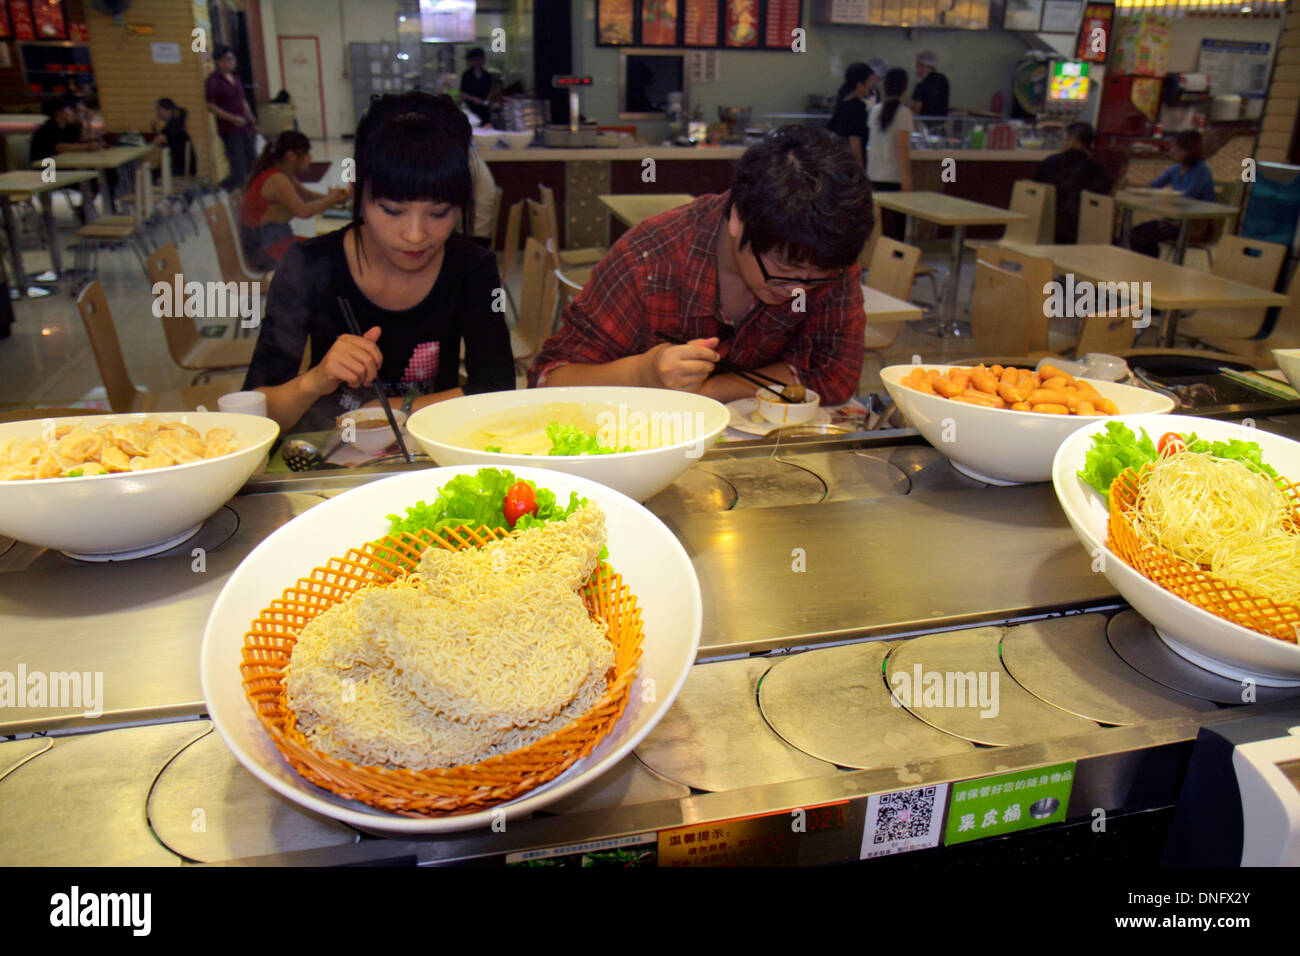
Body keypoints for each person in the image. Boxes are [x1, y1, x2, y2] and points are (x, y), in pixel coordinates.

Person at [527, 125, 872, 406]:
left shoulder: (824, 255)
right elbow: (548, 382)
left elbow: (835, 374)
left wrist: (709, 393)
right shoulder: (649, 260)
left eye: (813, 280)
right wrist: (644, 373)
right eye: (783, 268)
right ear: (739, 217)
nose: (798, 290)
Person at [242, 92, 514, 434]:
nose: (416, 235)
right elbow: (253, 416)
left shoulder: (472, 267)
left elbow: (496, 389)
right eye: (392, 210)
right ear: (357, 191)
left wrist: (390, 409)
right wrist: (316, 380)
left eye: (439, 212)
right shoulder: (309, 265)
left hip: (431, 457)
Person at [239, 130, 350, 270]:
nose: (310, 158)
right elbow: (303, 211)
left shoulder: (283, 173)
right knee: (332, 256)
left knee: (332, 249)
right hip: (265, 249)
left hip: (273, 241)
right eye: (306, 154)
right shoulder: (276, 179)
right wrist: (331, 200)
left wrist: (335, 199)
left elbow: (307, 196)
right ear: (291, 156)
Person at [1129, 130, 1217, 258]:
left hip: (1196, 226)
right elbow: (1153, 185)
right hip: (1174, 221)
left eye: (1176, 148)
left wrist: (1163, 203)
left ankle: (1150, 269)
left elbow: (1186, 197)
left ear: (1189, 150)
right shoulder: (1176, 169)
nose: (1172, 151)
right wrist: (1129, 185)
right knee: (1134, 233)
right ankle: (1149, 267)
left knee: (1145, 237)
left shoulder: (1201, 170)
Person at [1033, 122, 1113, 244]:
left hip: (1046, 224)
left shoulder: (1051, 162)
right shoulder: (1096, 169)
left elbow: (1037, 190)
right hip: (1086, 230)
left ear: (1070, 139)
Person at [868, 68, 914, 242]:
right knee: (895, 228)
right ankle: (895, 262)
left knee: (879, 225)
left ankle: (879, 261)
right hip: (894, 177)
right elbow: (902, 147)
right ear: (904, 88)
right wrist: (907, 179)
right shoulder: (904, 113)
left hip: (874, 174)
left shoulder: (874, 111)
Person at [205, 45, 260, 192]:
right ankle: (240, 196)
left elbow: (243, 102)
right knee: (238, 165)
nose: (232, 62)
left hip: (244, 127)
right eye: (228, 59)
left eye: (233, 59)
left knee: (251, 161)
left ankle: (252, 192)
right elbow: (211, 106)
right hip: (229, 130)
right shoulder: (213, 81)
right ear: (219, 62)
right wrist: (232, 118)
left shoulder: (235, 78)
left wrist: (252, 120)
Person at [827, 62, 874, 167]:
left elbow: (831, 128)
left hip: (839, 160)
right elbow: (855, 138)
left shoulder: (843, 103)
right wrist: (860, 167)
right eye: (870, 81)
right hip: (851, 163)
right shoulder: (858, 106)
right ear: (860, 84)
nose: (872, 86)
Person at [150, 97, 196, 176]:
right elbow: (162, 141)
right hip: (187, 166)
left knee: (151, 174)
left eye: (159, 109)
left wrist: (154, 128)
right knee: (156, 171)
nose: (158, 112)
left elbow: (156, 141)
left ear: (168, 110)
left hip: (181, 168)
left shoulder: (173, 125)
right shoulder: (176, 122)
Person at [459, 47, 496, 126]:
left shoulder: (487, 76)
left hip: (484, 111)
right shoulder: (466, 75)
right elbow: (462, 94)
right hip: (470, 110)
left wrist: (487, 100)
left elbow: (490, 92)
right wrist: (474, 99)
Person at [910, 51, 949, 117]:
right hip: (941, 123)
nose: (917, 68)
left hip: (924, 124)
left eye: (918, 65)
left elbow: (916, 110)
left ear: (925, 66)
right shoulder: (943, 80)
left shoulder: (921, 85)